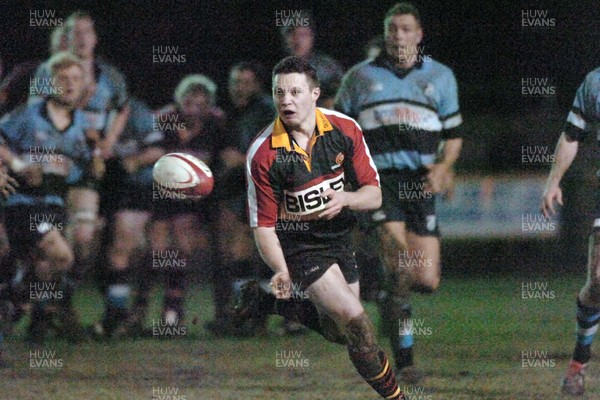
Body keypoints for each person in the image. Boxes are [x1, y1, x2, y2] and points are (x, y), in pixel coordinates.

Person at [245, 56, 405, 400]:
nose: (286, 100)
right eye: (279, 92)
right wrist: (281, 269)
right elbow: (264, 225)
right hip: (299, 246)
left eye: (295, 91)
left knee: (339, 332)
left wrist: (346, 198)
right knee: (359, 322)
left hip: (339, 239)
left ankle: (281, 307)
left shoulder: (345, 129)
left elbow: (373, 195)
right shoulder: (263, 154)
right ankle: (397, 397)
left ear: (315, 93)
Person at [335, 2, 463, 383]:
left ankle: (384, 293)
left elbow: (454, 136)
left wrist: (444, 166)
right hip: (377, 180)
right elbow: (337, 130)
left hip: (419, 180)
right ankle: (405, 363)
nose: (398, 36)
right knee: (401, 264)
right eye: (392, 29)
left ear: (419, 34)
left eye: (406, 29)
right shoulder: (360, 77)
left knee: (425, 279)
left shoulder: (440, 77)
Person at [0, 52, 96, 342]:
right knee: (62, 258)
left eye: (76, 79)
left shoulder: (82, 125)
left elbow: (81, 167)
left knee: (43, 267)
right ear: (49, 83)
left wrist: (93, 162)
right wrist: (19, 165)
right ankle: (18, 298)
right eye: (62, 79)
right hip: (23, 205)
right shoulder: (29, 114)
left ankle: (20, 307)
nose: (69, 85)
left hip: (53, 205)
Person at [206, 61, 275, 337]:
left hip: (264, 189)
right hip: (233, 189)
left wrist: (243, 157)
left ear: (257, 84)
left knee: (261, 254)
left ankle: (257, 317)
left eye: (246, 82)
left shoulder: (267, 110)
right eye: (235, 81)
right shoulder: (226, 113)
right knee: (234, 253)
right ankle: (242, 315)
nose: (240, 87)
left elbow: (278, 148)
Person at [542, 67, 600, 396]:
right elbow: (571, 135)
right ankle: (578, 364)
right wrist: (553, 180)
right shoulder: (594, 82)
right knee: (598, 279)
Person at [280, 10, 344, 109]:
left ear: (312, 38)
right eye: (292, 35)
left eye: (303, 35)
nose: (298, 40)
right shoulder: (277, 67)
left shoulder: (326, 67)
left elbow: (340, 96)